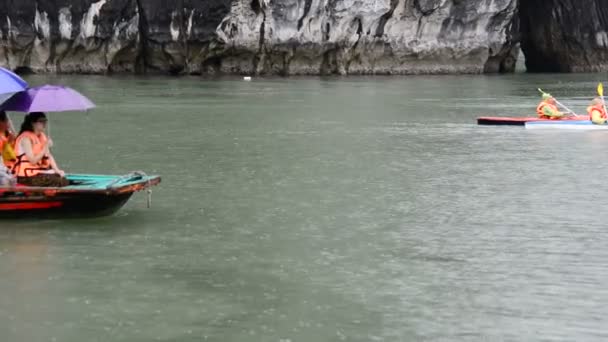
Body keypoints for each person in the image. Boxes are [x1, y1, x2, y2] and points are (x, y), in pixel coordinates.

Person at [12, 112, 68, 187]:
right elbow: (33, 161)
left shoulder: (42, 136)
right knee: (60, 181)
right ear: (33, 123)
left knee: (63, 178)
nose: (44, 123)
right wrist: (45, 147)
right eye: (41, 121)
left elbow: (49, 156)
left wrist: (57, 170)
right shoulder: (25, 139)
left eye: (45, 121)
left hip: (38, 172)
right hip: (26, 176)